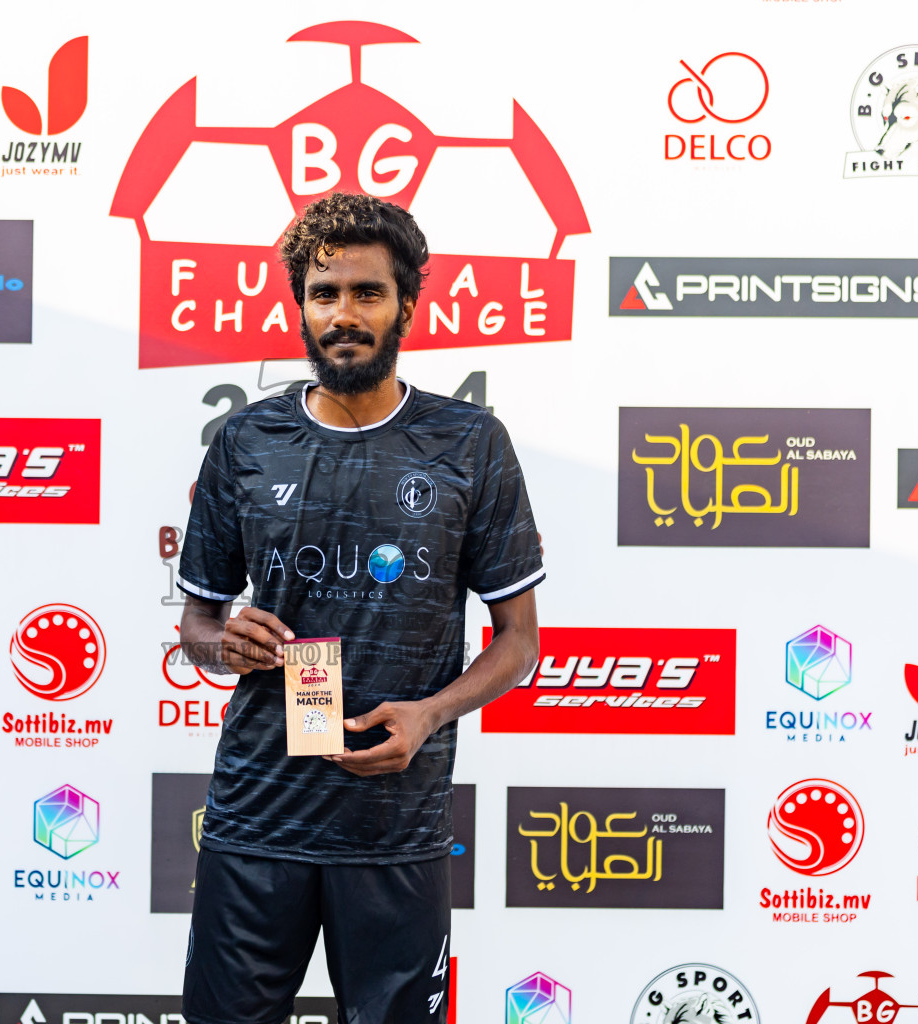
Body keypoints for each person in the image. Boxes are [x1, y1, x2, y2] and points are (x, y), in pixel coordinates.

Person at [176, 192, 543, 1024]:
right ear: (302, 306)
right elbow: (196, 623)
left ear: (408, 304)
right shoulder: (246, 441)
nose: (344, 314)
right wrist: (222, 643)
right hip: (256, 814)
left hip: (397, 828)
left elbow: (518, 642)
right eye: (324, 294)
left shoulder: (469, 442)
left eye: (367, 293)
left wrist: (429, 715)